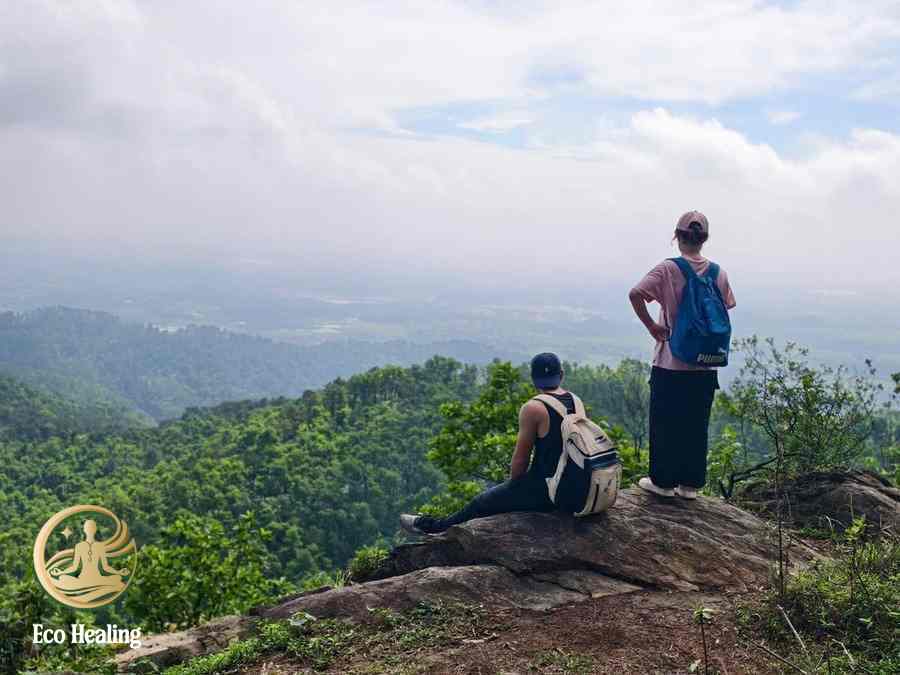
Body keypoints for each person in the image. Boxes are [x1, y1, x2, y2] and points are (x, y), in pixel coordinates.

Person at [400, 352, 575, 534]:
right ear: (561, 374)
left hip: (546, 490)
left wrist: (512, 490)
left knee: (480, 503)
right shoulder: (576, 403)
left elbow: (520, 461)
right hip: (572, 487)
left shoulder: (533, 408)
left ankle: (434, 528)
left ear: (533, 378)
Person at [628, 210, 736, 499]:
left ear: (676, 236)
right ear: (705, 238)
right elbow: (727, 305)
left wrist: (653, 326)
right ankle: (690, 485)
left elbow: (636, 294)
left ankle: (663, 483)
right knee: (696, 425)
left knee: (665, 423)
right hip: (705, 366)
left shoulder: (668, 269)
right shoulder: (718, 273)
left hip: (670, 363)